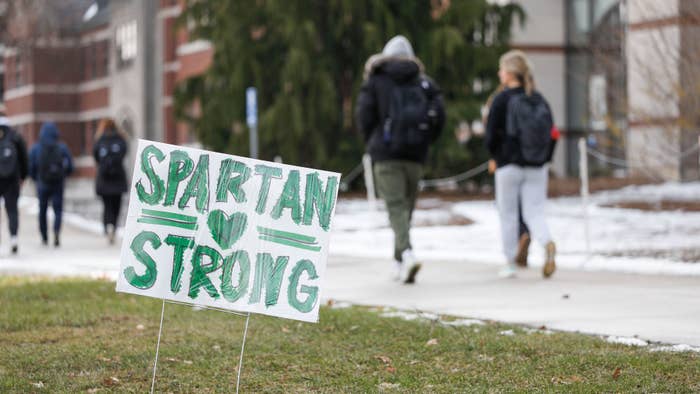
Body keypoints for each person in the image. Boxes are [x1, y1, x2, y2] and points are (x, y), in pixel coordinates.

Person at [356, 35, 445, 284]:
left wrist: (372, 142)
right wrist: (427, 141)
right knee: (406, 209)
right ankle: (400, 262)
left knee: (396, 207)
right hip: (415, 154)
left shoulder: (376, 80)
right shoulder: (424, 82)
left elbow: (364, 114)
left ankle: (406, 254)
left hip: (386, 154)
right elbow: (440, 115)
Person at [484, 50, 557, 278]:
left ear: (509, 74)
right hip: (537, 165)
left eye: (502, 69)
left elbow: (490, 134)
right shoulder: (538, 98)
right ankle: (546, 242)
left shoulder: (502, 99)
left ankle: (509, 261)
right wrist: (545, 158)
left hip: (509, 165)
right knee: (534, 211)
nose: (499, 73)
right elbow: (553, 133)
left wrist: (497, 156)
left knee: (507, 214)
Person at [29, 122, 73, 247]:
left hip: (42, 183)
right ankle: (56, 231)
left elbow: (31, 167)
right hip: (58, 183)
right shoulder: (62, 147)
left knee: (42, 210)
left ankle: (44, 236)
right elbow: (70, 166)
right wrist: (64, 175)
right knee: (58, 210)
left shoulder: (36, 148)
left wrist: (35, 179)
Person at [93, 118, 128, 244]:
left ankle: (107, 225)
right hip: (118, 178)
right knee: (116, 205)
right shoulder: (121, 139)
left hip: (104, 179)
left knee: (107, 205)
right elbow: (124, 153)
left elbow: (96, 157)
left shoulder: (99, 140)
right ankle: (113, 226)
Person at [0, 114, 29, 254]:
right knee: (12, 210)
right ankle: (14, 238)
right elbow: (24, 158)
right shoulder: (15, 136)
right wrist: (23, 177)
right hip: (12, 179)